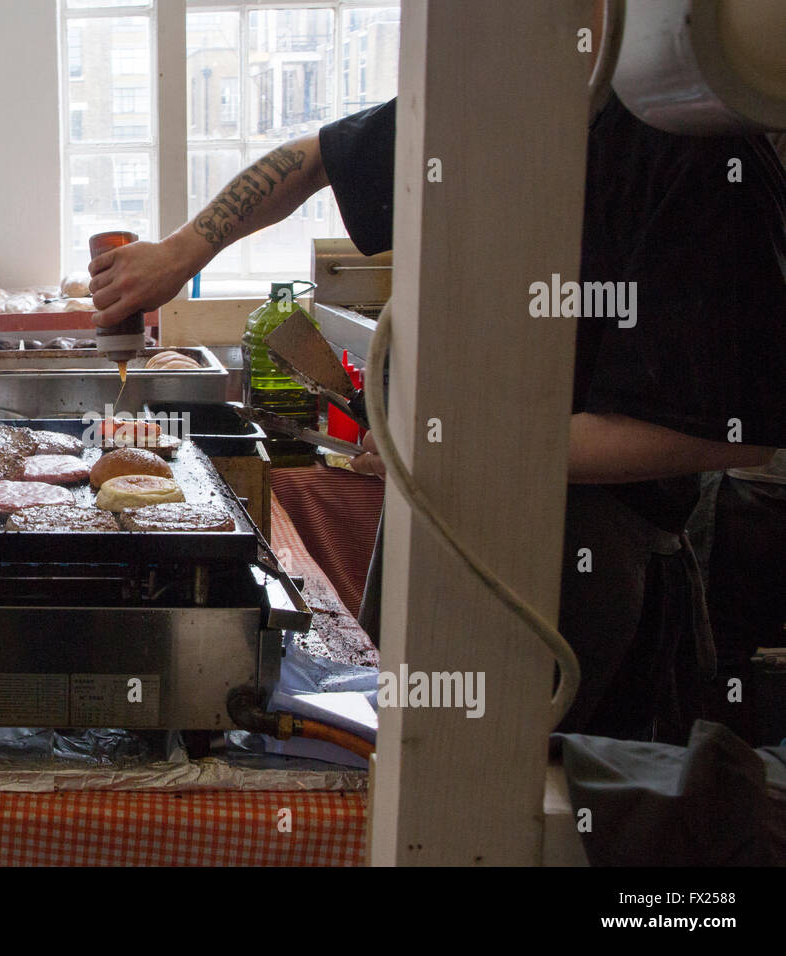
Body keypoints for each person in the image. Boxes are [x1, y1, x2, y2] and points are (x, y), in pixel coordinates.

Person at [87, 94, 786, 742]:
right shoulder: (494, 99)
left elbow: (718, 432)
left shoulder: (695, 147)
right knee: (393, 765)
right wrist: (184, 251)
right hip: (438, 515)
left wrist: (453, 450)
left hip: (588, 553)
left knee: (522, 805)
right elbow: (316, 158)